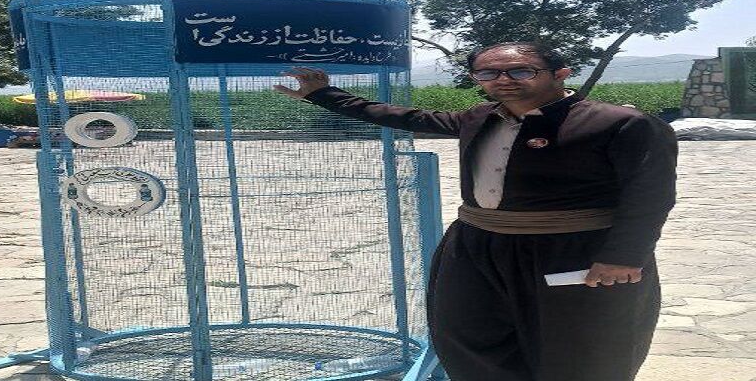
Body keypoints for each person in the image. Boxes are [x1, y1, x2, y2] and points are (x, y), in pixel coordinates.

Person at [274, 41, 678, 381]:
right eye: (487, 74)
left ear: (560, 73)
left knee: (581, 344)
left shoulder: (621, 123)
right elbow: (405, 116)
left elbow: (650, 196)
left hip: (571, 249)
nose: (503, 80)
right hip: (476, 246)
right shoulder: (479, 117)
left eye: (520, 71)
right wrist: (323, 94)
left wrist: (624, 256)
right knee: (470, 335)